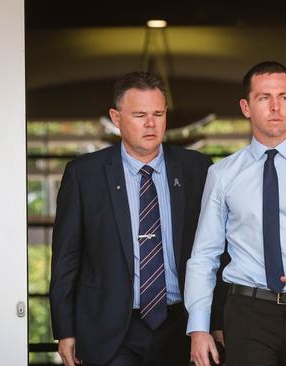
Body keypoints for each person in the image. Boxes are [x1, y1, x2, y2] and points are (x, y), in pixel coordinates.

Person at [184, 61, 286, 366]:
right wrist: (198, 327)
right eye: (264, 98)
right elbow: (204, 256)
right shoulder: (222, 174)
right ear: (246, 107)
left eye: (283, 97)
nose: (275, 107)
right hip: (248, 313)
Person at [49, 71, 214, 365]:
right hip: (111, 330)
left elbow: (217, 250)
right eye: (139, 115)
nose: (151, 124)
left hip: (181, 326)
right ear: (116, 117)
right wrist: (65, 329)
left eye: (158, 114)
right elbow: (66, 258)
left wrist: (216, 323)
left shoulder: (197, 168)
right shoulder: (84, 174)